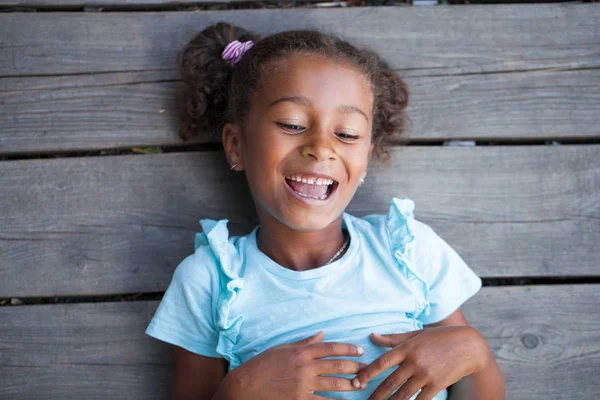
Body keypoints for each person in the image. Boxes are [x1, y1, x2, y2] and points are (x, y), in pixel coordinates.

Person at [145, 22, 506, 400]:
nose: (321, 147)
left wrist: (473, 353)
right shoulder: (210, 281)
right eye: (293, 124)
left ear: (365, 158)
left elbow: (478, 384)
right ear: (236, 145)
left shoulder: (408, 251)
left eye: (347, 133)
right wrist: (240, 391)